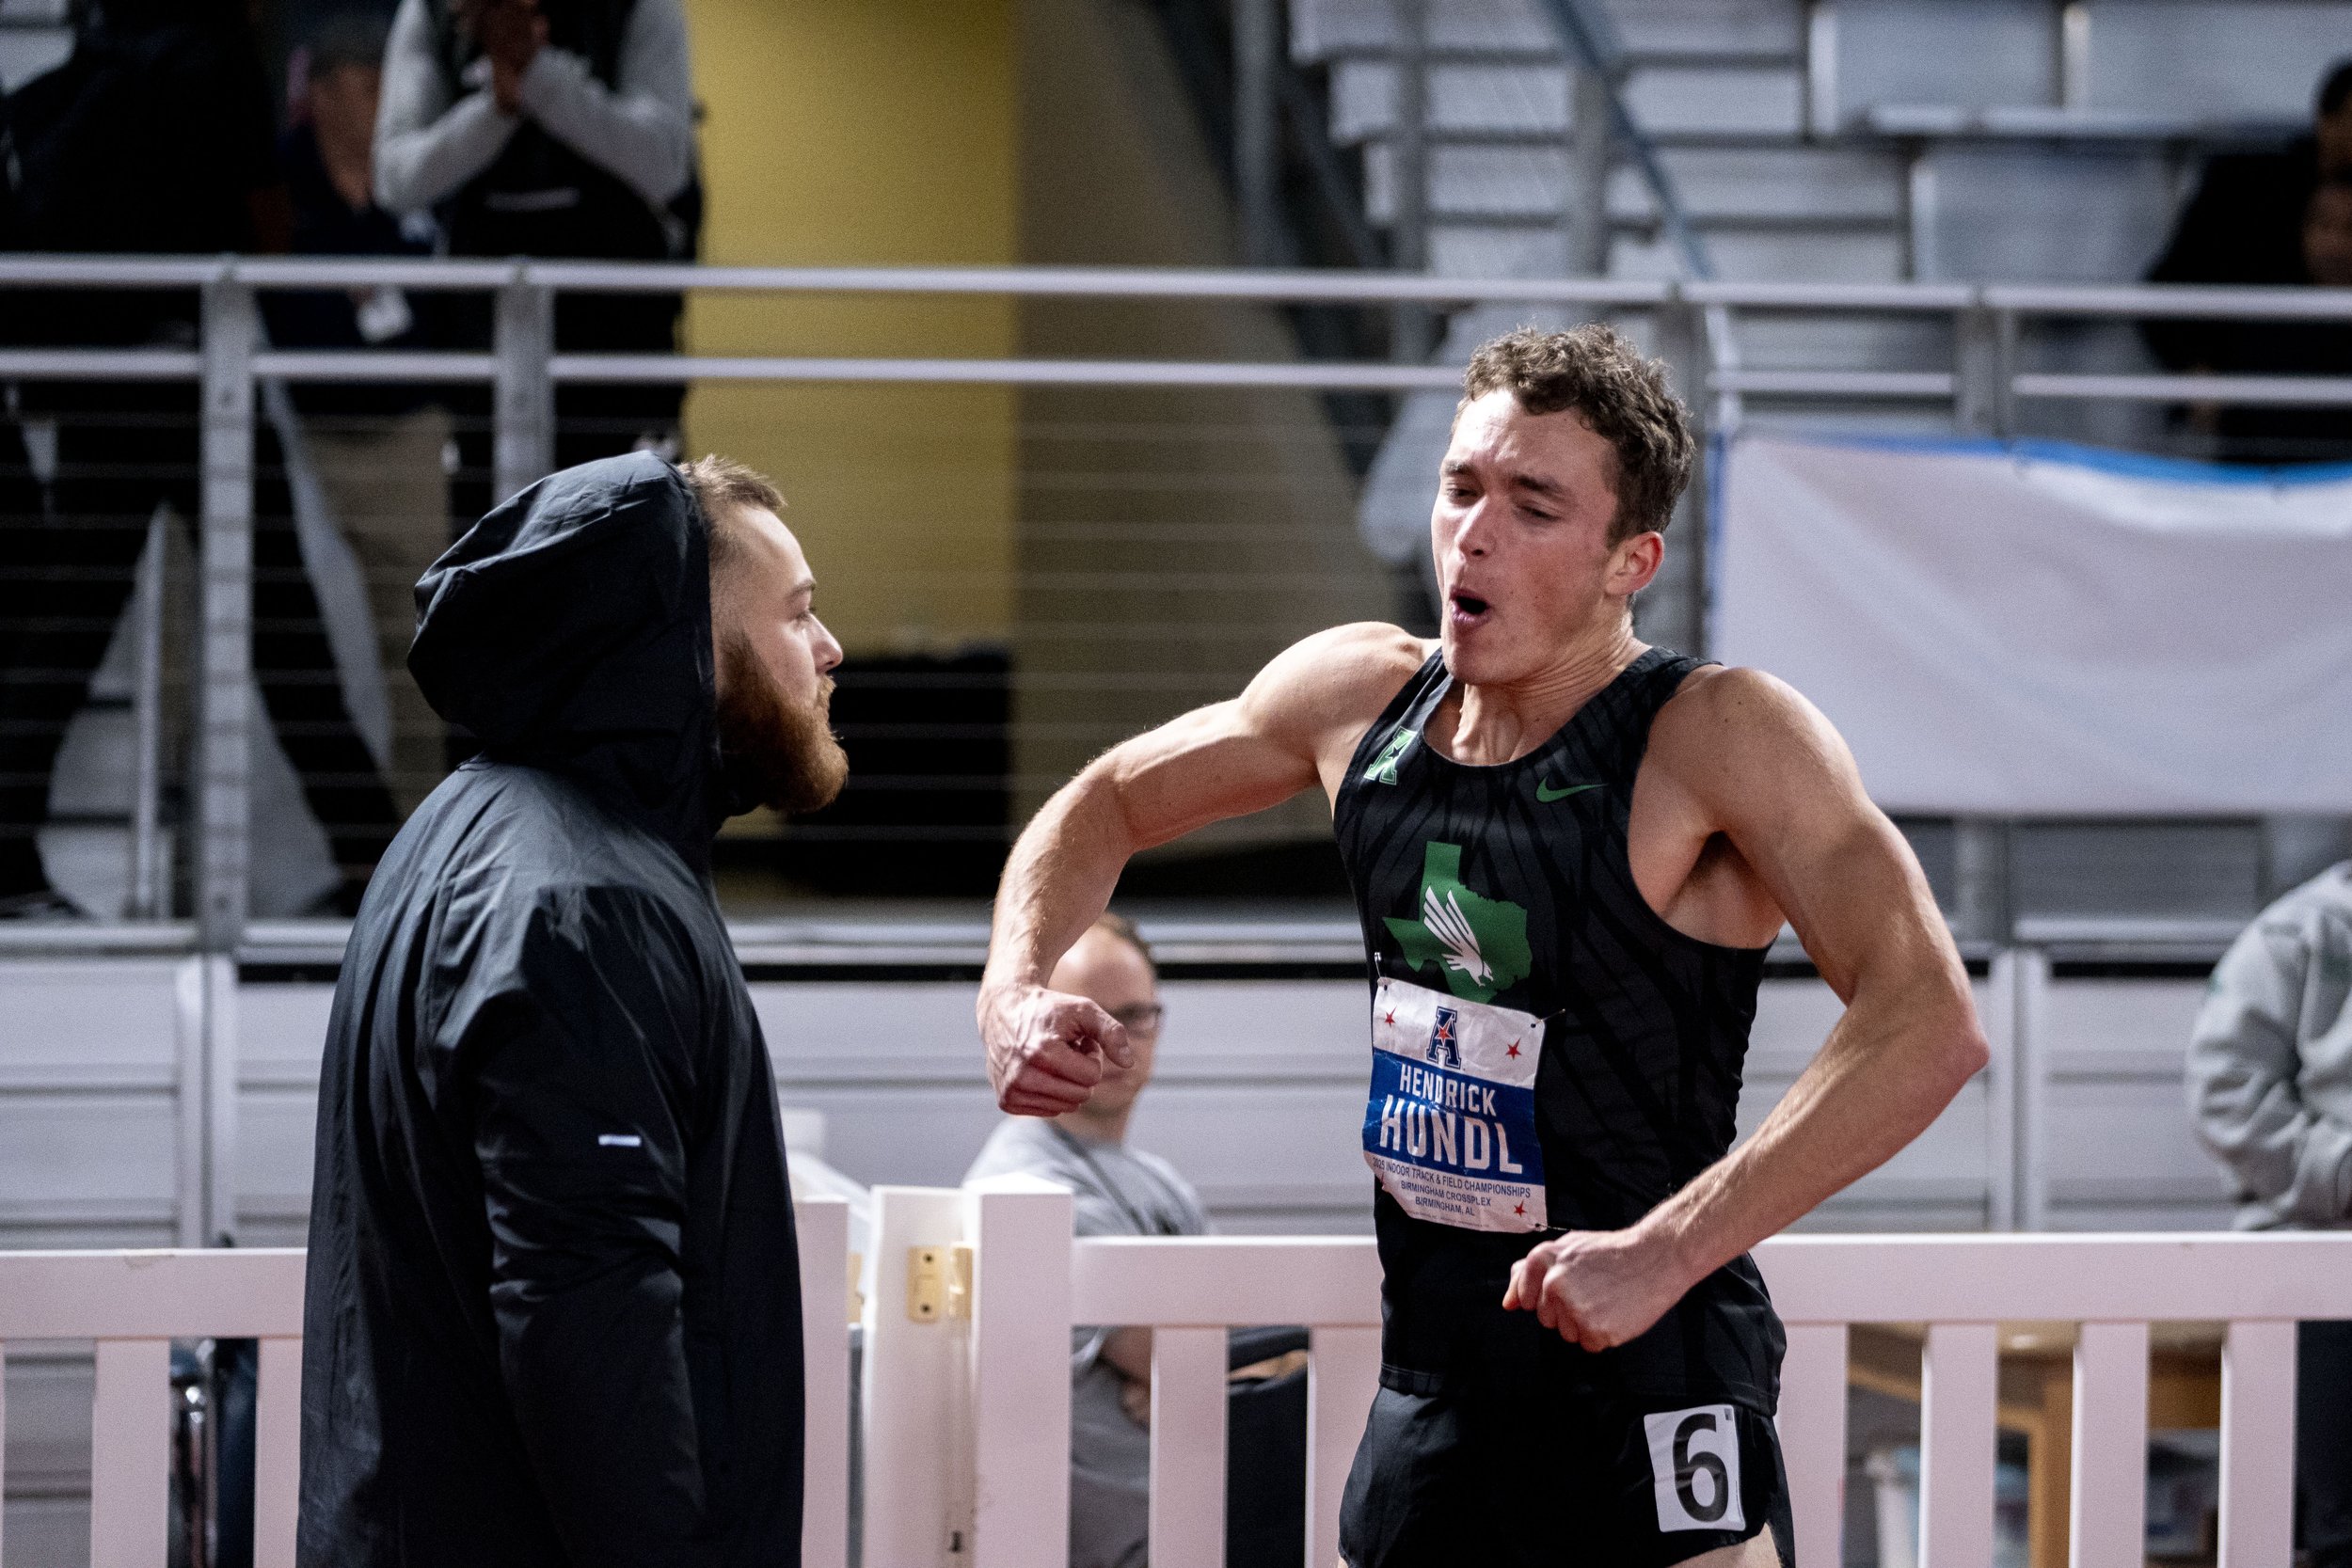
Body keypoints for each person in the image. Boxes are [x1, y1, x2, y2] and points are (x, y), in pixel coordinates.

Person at [977, 325, 1989, 1567]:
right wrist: (1014, 987)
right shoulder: (1358, 699)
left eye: (1533, 503)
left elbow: (1930, 1019)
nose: (1475, 529)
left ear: (1633, 560)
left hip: (1648, 1369)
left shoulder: (1716, 735)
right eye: (1462, 485)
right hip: (1440, 1379)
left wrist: (1666, 1250)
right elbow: (1107, 801)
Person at [298, 452, 847, 1565]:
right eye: (796, 614)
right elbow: (590, 1329)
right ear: (684, 649)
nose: (830, 649)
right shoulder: (581, 906)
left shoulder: (473, 830)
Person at [0, 0, 401, 914]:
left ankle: (9, 850)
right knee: (283, 624)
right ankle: (372, 860)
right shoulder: (216, 55)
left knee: (68, 629)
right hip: (197, 378)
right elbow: (263, 229)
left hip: (109, 380)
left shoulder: (104, 42)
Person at [373, 0, 698, 537]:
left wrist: (537, 74)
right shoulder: (433, 13)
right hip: (485, 359)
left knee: (625, 571)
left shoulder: (643, 9)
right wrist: (498, 107)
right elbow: (396, 177)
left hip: (619, 353)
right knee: (492, 580)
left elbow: (665, 164)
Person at [965, 911, 1208, 1568]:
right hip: (1127, 1542)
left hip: (1202, 1514)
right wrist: (1227, 1369)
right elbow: (1213, 1355)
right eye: (1087, 1020)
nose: (1114, 1042)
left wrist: (1210, 1373)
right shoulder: (1025, 1185)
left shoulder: (1162, 1182)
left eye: (1136, 1015)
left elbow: (1219, 1356)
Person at [268, 9, 454, 818]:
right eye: (368, 83)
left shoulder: (418, 177)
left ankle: (422, 842)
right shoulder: (278, 179)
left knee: (416, 646)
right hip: (294, 434)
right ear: (323, 91)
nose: (383, 100)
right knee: (275, 637)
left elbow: (454, 306)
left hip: (407, 436)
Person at [2187, 861, 2352, 1568]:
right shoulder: (2304, 933)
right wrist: (2342, 1172)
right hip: (2318, 1263)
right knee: (2340, 1525)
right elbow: (2225, 1095)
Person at [2142, 58, 2352, 464]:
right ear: (2326, 120)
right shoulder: (2246, 191)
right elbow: (2169, 289)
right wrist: (2196, 369)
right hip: (2259, 420)